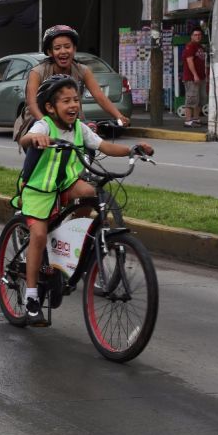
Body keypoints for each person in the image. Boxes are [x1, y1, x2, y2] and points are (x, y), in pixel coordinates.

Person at [13, 74, 153, 325]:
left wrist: (132, 150)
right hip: (39, 189)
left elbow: (104, 146)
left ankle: (70, 241)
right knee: (39, 235)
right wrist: (35, 138)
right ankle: (32, 297)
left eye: (76, 99)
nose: (73, 105)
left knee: (91, 193)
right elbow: (25, 138)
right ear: (50, 107)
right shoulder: (44, 125)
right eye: (66, 101)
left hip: (65, 183)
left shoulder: (79, 128)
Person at [22, 25, 129, 139]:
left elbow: (100, 96)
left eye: (67, 47)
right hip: (39, 120)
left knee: (89, 148)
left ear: (74, 49)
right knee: (37, 145)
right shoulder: (37, 72)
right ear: (50, 52)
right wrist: (45, 123)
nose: (63, 51)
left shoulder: (83, 70)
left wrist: (118, 116)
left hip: (71, 120)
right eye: (57, 48)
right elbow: (32, 104)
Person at [181, 27, 207, 128]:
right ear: (191, 36)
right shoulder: (190, 46)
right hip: (191, 78)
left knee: (200, 99)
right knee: (191, 99)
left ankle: (196, 119)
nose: (198, 36)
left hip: (201, 77)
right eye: (195, 35)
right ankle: (188, 121)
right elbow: (189, 61)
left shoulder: (200, 47)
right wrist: (195, 75)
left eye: (199, 35)